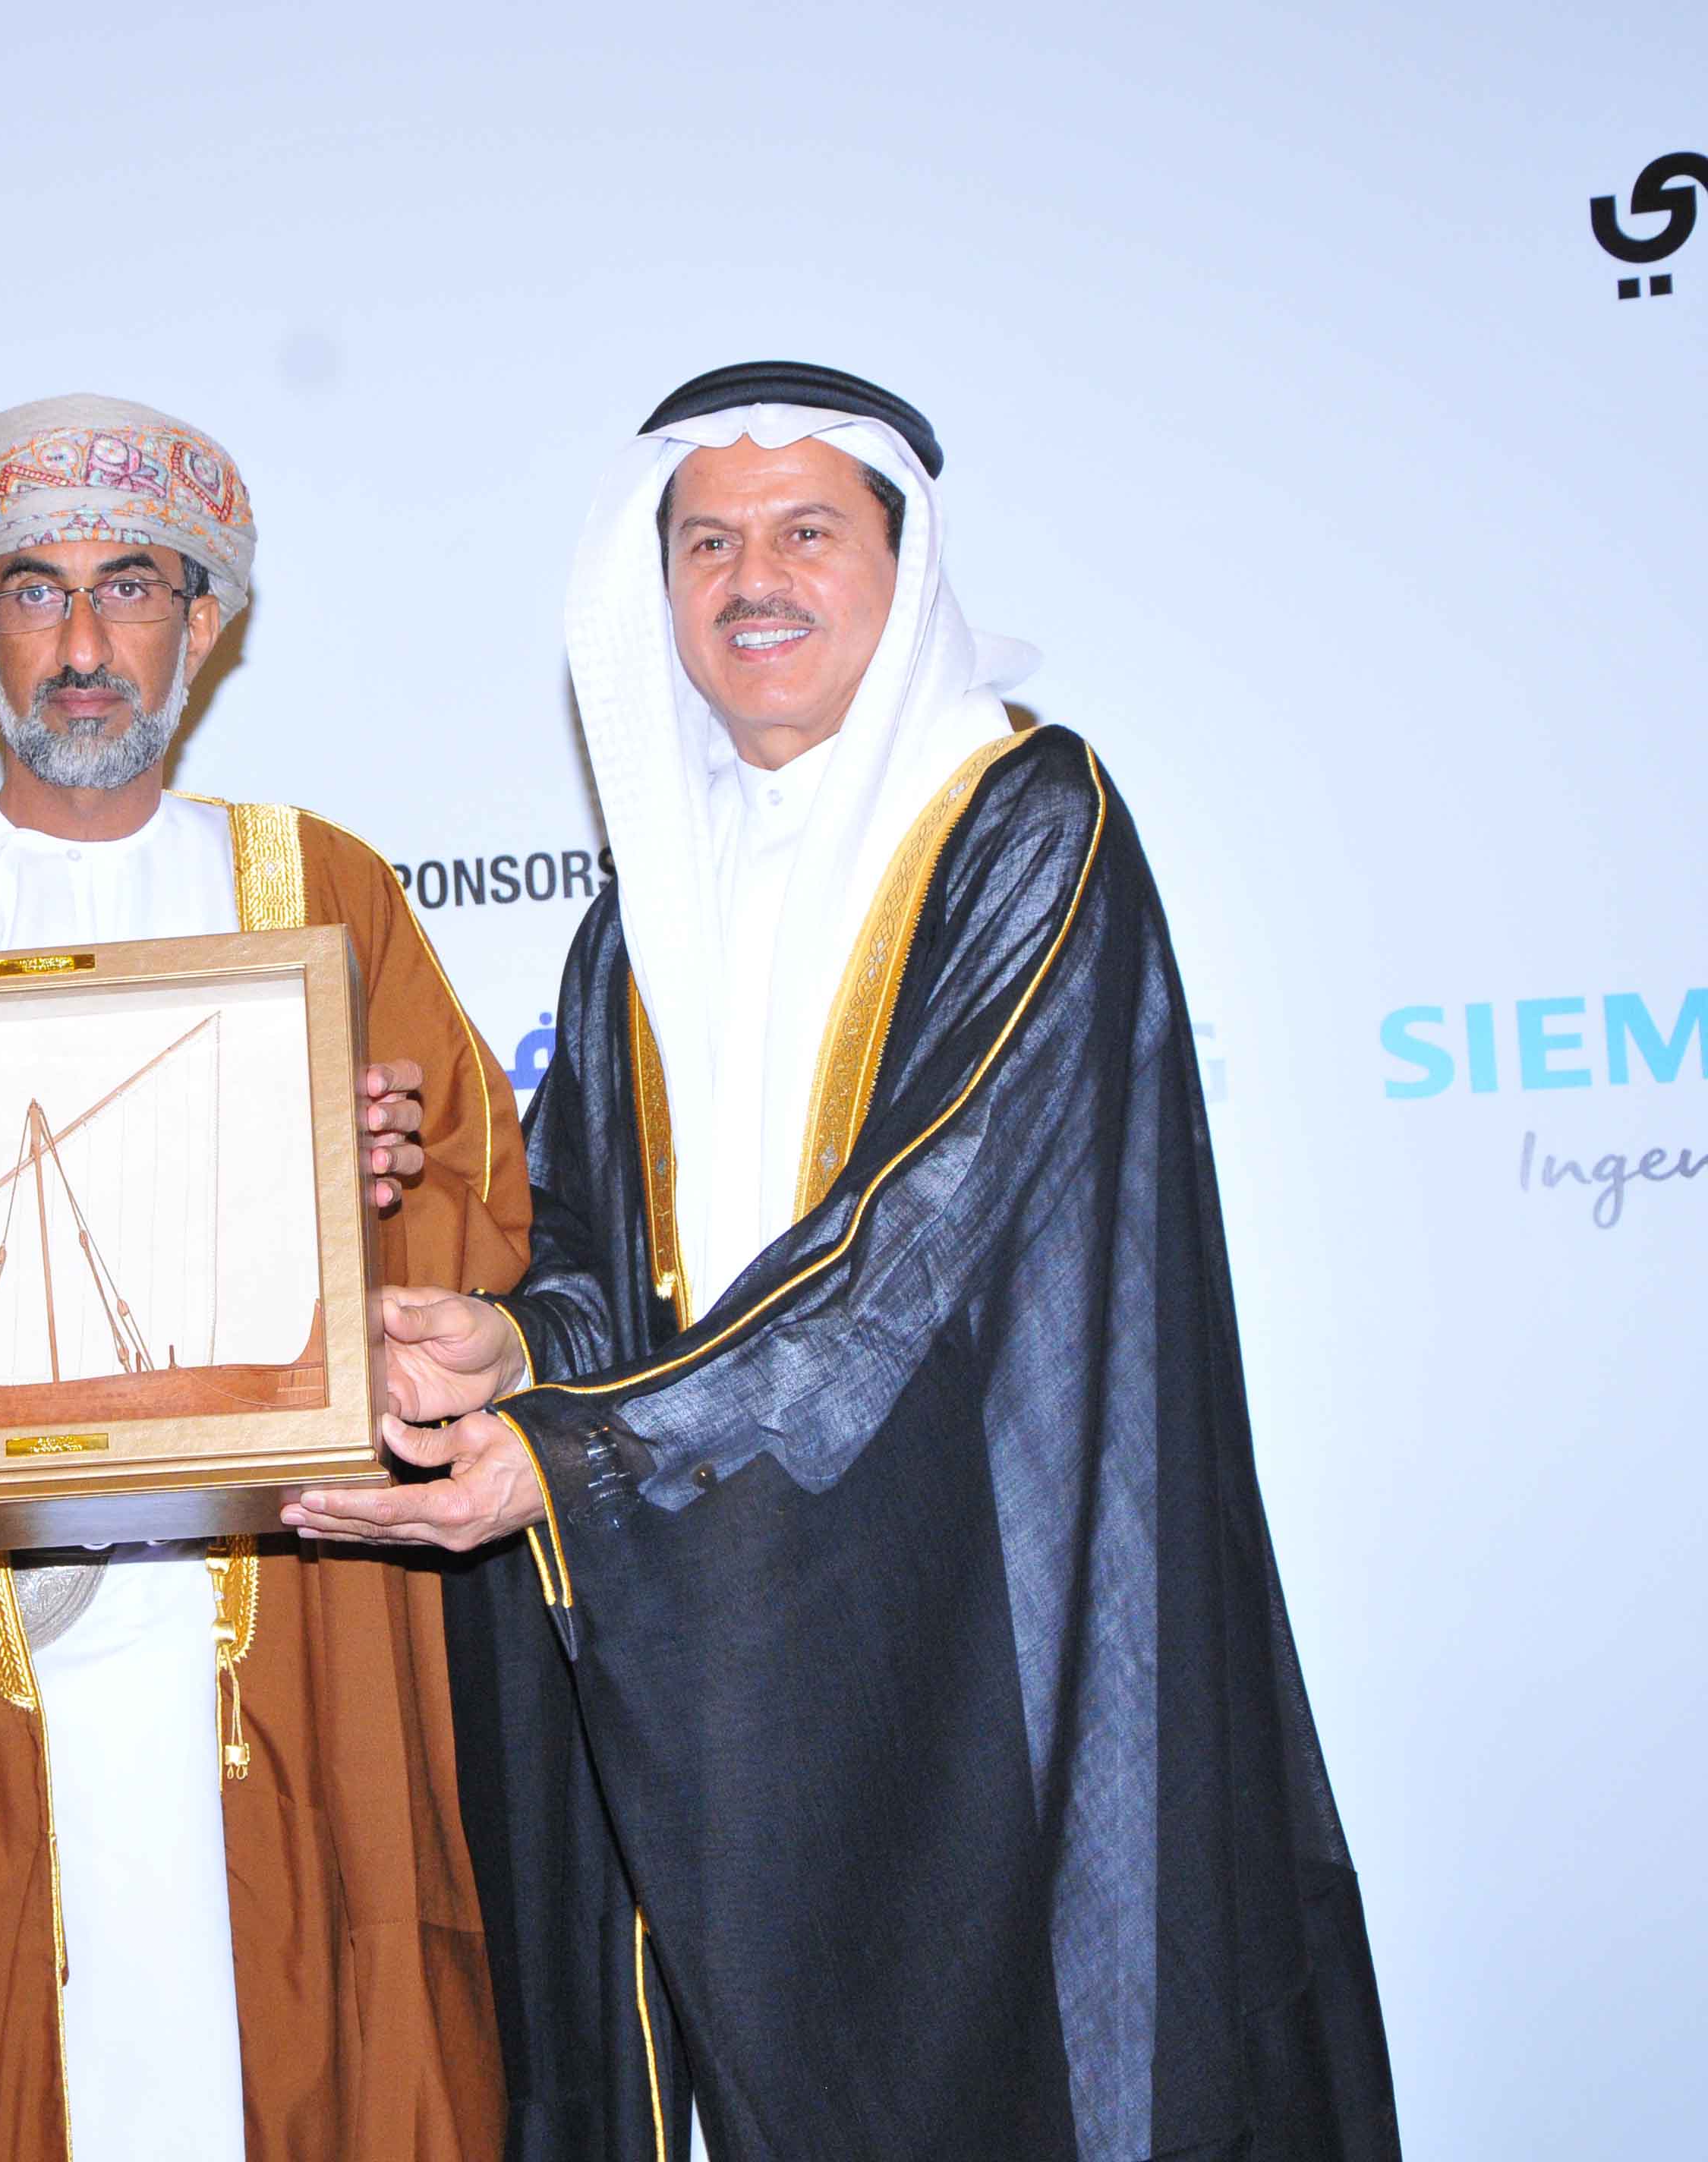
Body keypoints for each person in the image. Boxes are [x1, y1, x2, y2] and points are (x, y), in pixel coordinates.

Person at [289, 362, 1401, 2160]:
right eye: (706, 542)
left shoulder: (1024, 820)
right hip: (718, 1622)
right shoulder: (638, 914)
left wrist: (579, 1452)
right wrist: (508, 1348)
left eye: (806, 531)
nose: (752, 579)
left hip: (968, 1620)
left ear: (903, 561)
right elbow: (609, 1262)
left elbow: (921, 1234)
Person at [0, 395, 528, 2162]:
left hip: (271, 1624)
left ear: (202, 623)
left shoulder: (327, 891)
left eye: (129, 585)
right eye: (30, 590)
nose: (78, 641)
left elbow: (473, 1223)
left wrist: (351, 1210)